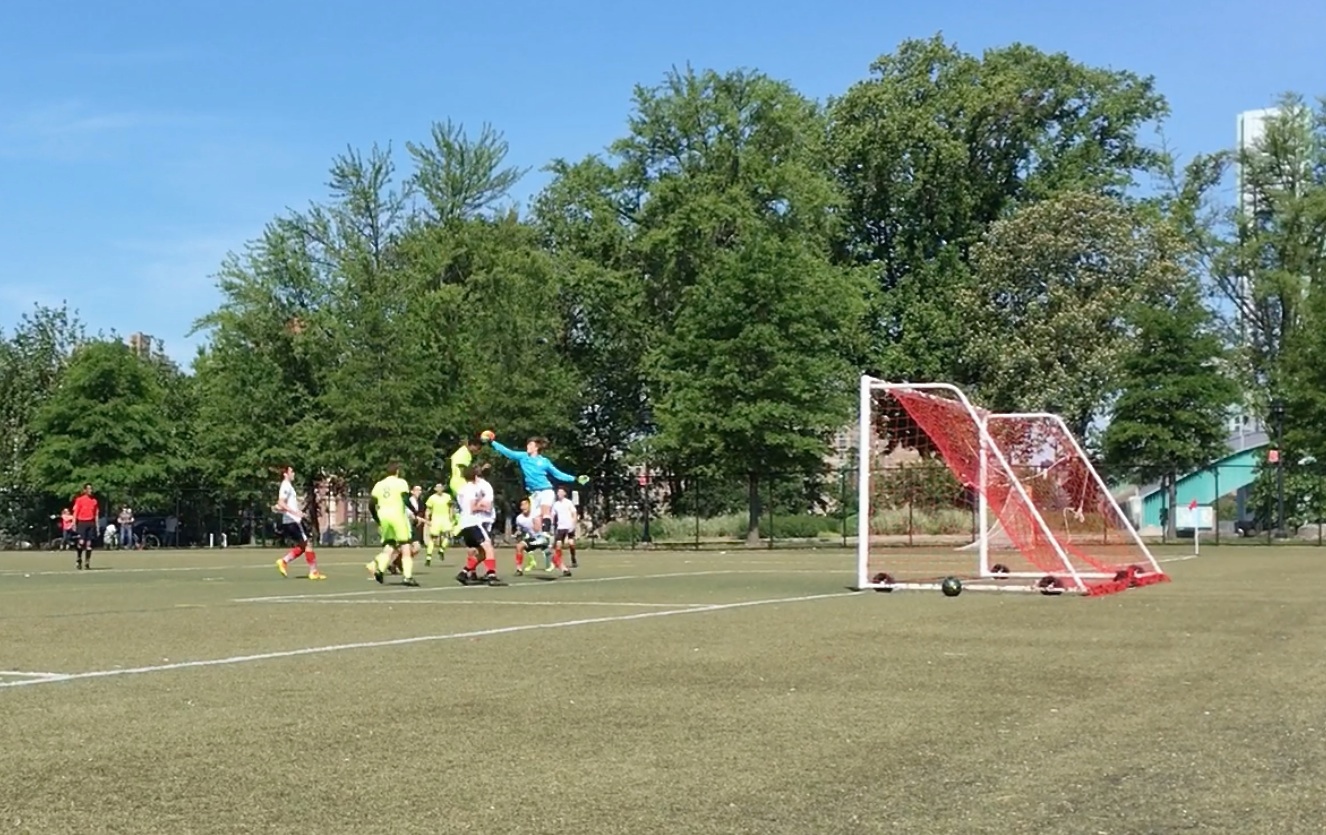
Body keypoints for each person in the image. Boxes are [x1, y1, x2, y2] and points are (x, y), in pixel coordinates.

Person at [485, 435, 586, 548]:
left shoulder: (544, 461)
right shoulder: (523, 457)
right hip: (534, 494)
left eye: (530, 445)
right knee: (535, 518)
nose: (527, 446)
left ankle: (546, 535)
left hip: (546, 490)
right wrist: (493, 443)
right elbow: (508, 452)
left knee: (545, 512)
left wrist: (575, 479)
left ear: (536, 447)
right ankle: (541, 538)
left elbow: (558, 474)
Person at [273, 466, 326, 580]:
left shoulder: (288, 486)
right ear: (285, 474)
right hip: (292, 520)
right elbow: (281, 502)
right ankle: (313, 572)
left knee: (303, 545)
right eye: (292, 471)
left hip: (291, 520)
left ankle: (283, 561)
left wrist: (282, 509)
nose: (294, 474)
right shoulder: (286, 485)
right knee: (308, 544)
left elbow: (281, 505)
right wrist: (295, 512)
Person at [368, 463, 416, 586]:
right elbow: (405, 499)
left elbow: (371, 504)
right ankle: (408, 576)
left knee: (390, 544)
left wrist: (376, 518)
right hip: (397, 516)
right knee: (405, 545)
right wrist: (414, 510)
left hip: (384, 516)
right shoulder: (401, 482)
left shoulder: (379, 484)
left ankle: (380, 569)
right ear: (397, 471)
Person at [455, 464, 501, 586]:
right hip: (473, 522)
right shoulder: (472, 489)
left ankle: (464, 573)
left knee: (482, 553)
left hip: (465, 523)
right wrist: (483, 506)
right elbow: (473, 506)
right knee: (488, 548)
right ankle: (491, 574)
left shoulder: (462, 489)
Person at [424, 482, 455, 566]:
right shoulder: (432, 498)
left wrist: (451, 516)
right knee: (433, 538)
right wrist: (427, 517)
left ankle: (441, 549)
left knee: (448, 535)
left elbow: (451, 507)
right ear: (435, 489)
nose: (439, 489)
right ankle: (428, 557)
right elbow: (428, 508)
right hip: (436, 519)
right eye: (438, 487)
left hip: (445, 518)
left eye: (441, 487)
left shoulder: (447, 497)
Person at [71, 483, 99, 570]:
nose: (91, 491)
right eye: (89, 489)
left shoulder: (94, 501)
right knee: (81, 542)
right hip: (82, 522)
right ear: (85, 490)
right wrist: (74, 523)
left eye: (91, 489)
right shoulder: (79, 500)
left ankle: (87, 562)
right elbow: (75, 512)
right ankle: (79, 559)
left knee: (89, 544)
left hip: (91, 523)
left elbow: (96, 514)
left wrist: (97, 526)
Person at [551, 486, 580, 569]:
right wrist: (551, 524)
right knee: (558, 545)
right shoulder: (555, 504)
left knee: (571, 544)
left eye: (561, 492)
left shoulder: (568, 502)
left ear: (564, 493)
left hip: (569, 526)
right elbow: (553, 515)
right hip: (560, 527)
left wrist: (573, 524)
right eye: (558, 492)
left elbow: (574, 513)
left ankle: (573, 559)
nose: (559, 493)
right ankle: (558, 561)